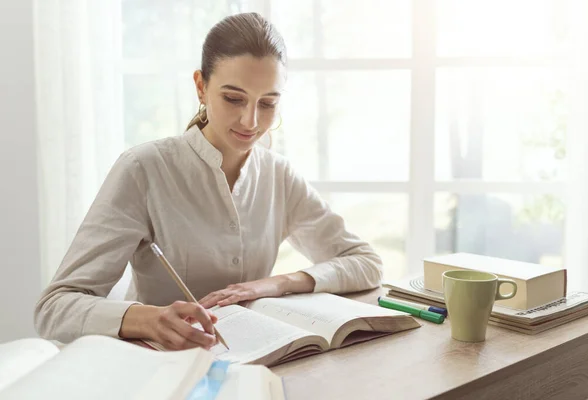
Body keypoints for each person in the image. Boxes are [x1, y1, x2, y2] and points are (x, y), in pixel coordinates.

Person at [34, 12, 383, 351]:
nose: (251, 121)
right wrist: (147, 319)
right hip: (159, 369)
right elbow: (54, 309)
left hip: (256, 360)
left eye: (268, 103)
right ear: (201, 87)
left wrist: (274, 285)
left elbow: (365, 263)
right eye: (233, 99)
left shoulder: (279, 175)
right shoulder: (143, 169)